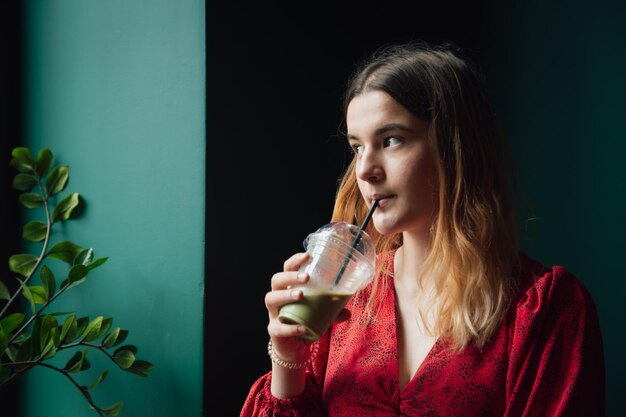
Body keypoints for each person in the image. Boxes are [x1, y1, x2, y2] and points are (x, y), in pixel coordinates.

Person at [240, 41, 605, 416]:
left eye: (391, 140)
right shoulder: (345, 296)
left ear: (455, 147)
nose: (365, 170)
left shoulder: (544, 309)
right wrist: (287, 358)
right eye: (357, 147)